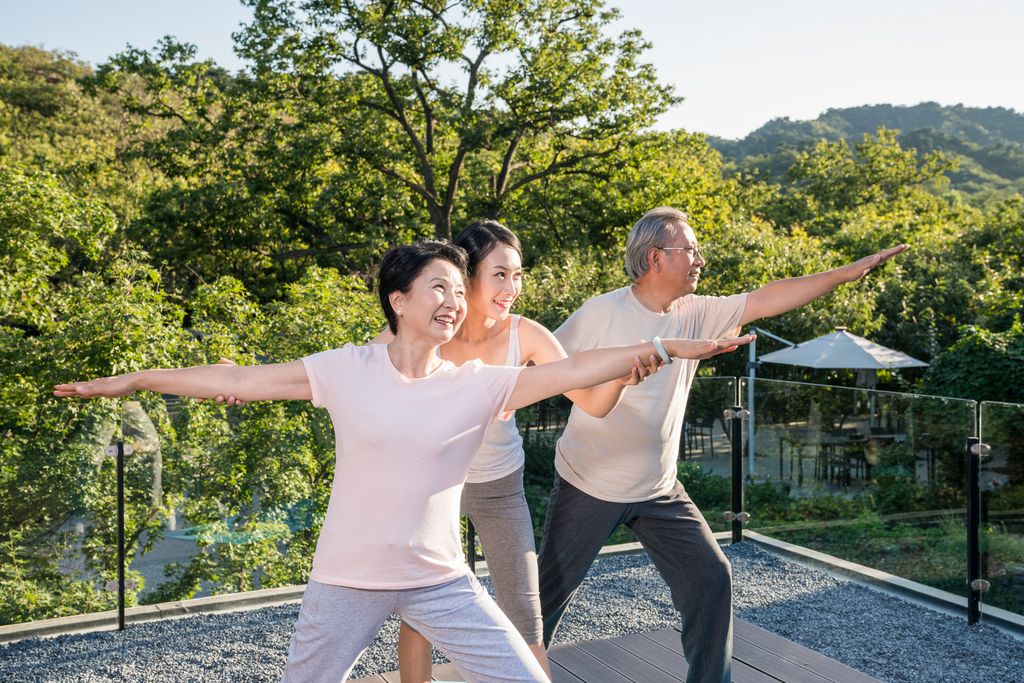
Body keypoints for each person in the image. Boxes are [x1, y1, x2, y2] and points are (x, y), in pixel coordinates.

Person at [54, 238, 753, 683]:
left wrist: (668, 346)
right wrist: (138, 378)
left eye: (459, 287)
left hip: (440, 581)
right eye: (438, 288)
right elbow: (240, 379)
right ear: (399, 300)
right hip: (346, 579)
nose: (454, 301)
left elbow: (584, 367)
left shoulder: (478, 385)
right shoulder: (347, 368)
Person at [537, 206, 908, 683]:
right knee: (545, 601)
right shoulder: (601, 312)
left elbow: (768, 298)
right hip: (589, 484)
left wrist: (846, 273)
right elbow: (544, 369)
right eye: (689, 249)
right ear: (655, 257)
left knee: (711, 580)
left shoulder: (698, 312)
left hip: (658, 490)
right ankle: (504, 674)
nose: (699, 259)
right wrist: (596, 389)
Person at [371, 221, 657, 683]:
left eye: (518, 275)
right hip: (430, 488)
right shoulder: (429, 326)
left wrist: (623, 379)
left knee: (525, 615)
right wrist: (243, 380)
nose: (512, 288)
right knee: (420, 609)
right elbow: (350, 373)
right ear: (466, 277)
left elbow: (591, 402)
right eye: (500, 274)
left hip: (499, 488)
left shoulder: (527, 335)